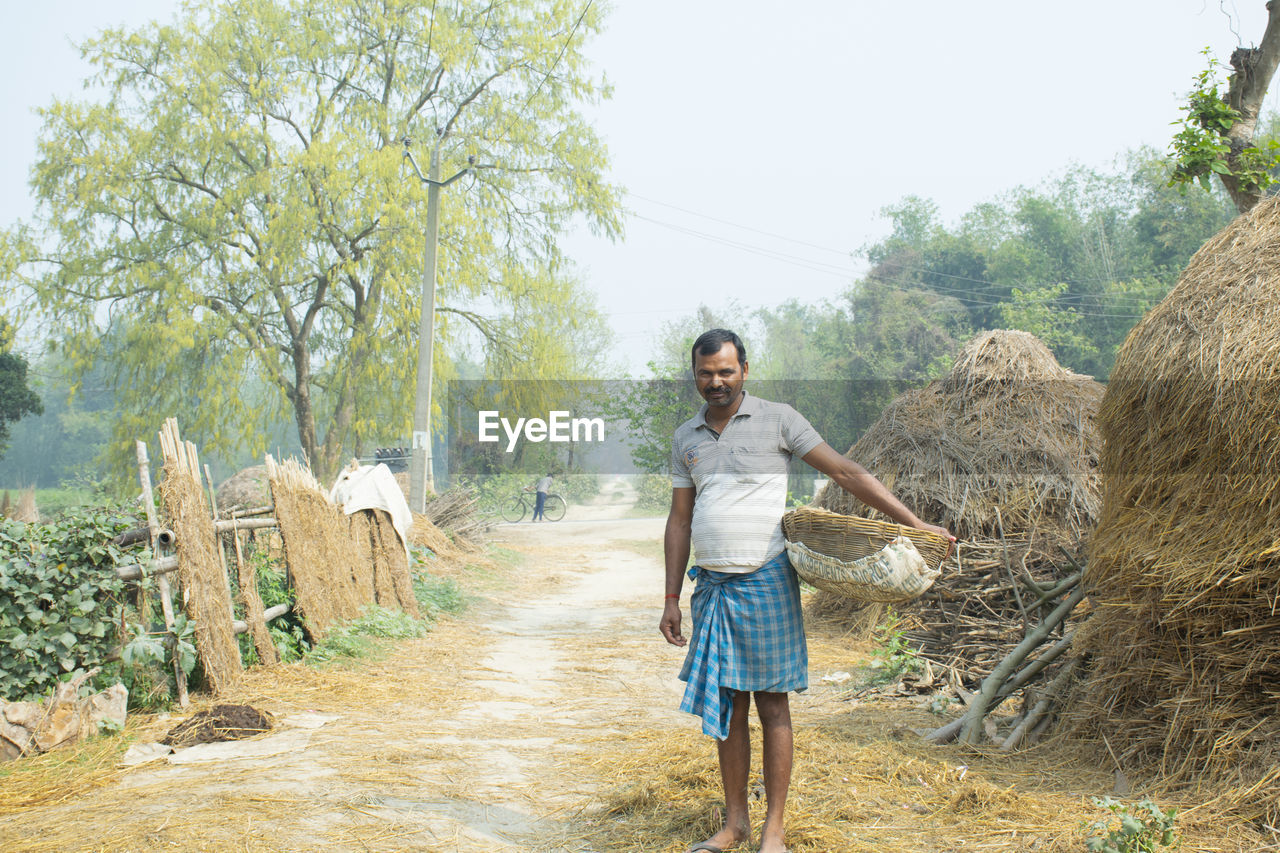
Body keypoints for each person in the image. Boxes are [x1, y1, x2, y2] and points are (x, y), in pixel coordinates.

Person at [660, 329, 954, 853]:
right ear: (695, 376)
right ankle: (734, 825)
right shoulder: (686, 438)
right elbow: (680, 520)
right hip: (713, 588)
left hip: (768, 577)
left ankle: (773, 828)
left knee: (772, 704)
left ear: (744, 371)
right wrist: (669, 599)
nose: (716, 382)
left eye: (726, 371)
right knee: (725, 707)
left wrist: (914, 524)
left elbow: (844, 470)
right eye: (706, 373)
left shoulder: (780, 419)